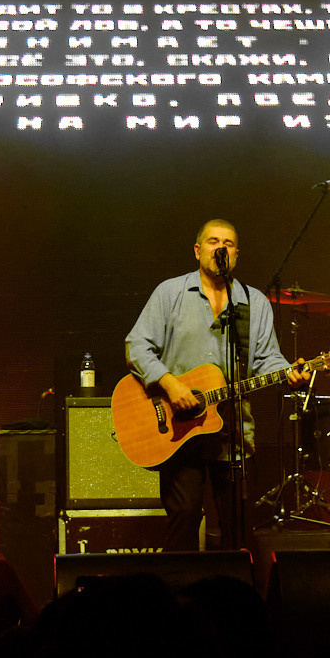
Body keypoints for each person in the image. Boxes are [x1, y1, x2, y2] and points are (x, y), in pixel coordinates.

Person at [127, 219, 307, 550]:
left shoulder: (254, 302)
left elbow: (267, 359)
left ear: (236, 253)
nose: (220, 247)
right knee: (184, 520)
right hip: (179, 434)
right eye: (212, 241)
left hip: (233, 435)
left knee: (238, 530)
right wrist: (169, 384)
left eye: (228, 242)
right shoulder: (171, 293)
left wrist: (289, 373)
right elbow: (136, 346)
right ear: (198, 251)